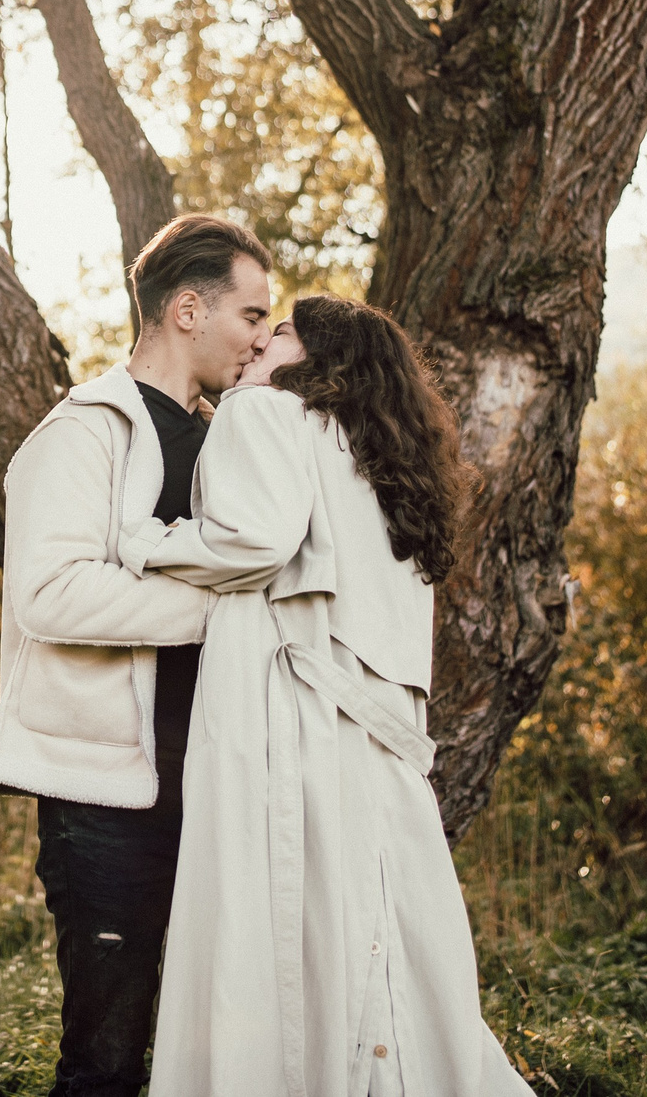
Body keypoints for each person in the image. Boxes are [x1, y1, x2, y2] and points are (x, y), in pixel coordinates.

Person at [127, 294, 537, 1097]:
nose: (256, 345)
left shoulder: (261, 414)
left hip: (290, 722)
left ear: (323, 358)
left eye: (277, 332)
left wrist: (143, 538)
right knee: (384, 954)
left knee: (280, 948)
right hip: (379, 746)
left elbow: (254, 540)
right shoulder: (390, 474)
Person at [0, 214, 276, 1097]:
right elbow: (51, 592)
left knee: (207, 1053)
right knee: (106, 1063)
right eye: (252, 314)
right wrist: (216, 613)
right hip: (106, 808)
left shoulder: (231, 438)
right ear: (188, 308)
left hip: (216, 790)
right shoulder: (81, 435)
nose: (261, 336)